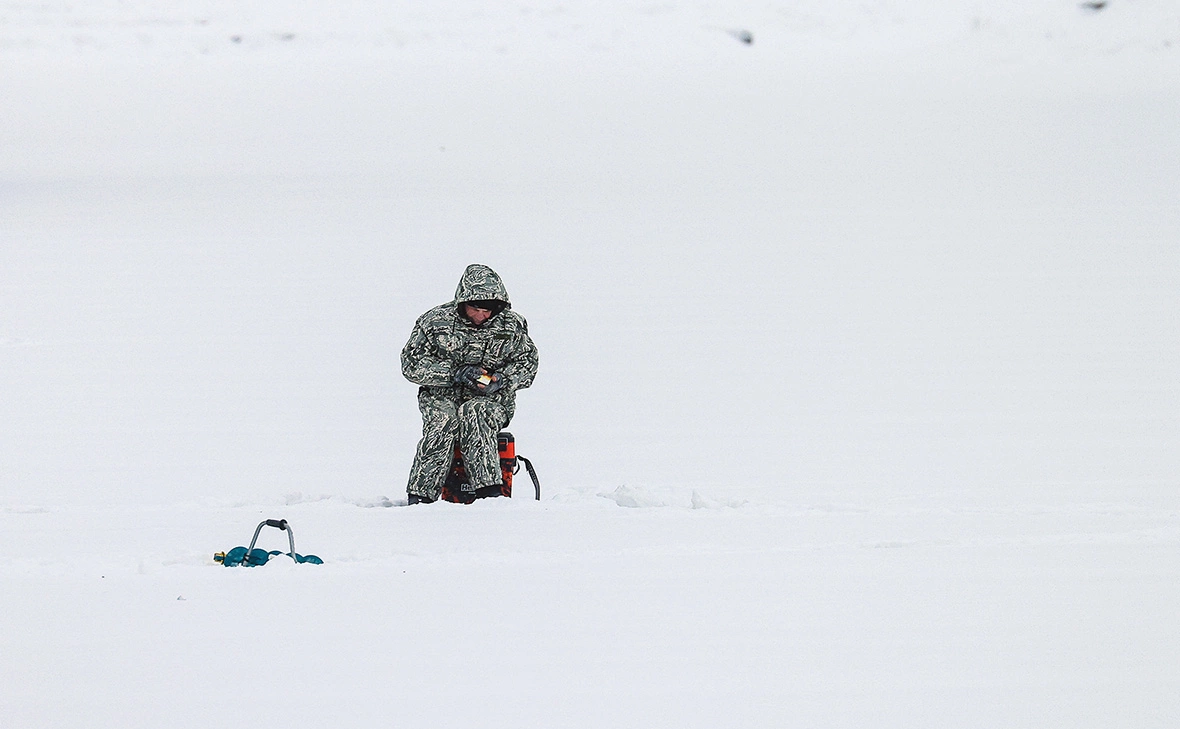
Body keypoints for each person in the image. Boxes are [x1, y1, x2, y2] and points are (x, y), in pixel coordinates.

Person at [401, 264, 539, 504]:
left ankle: (490, 495)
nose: (482, 315)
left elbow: (528, 363)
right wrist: (454, 373)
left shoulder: (512, 325)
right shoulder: (434, 322)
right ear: (463, 302)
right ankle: (420, 499)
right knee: (444, 421)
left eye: (489, 310)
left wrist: (502, 379)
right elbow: (411, 364)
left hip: (491, 400)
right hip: (441, 398)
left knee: (475, 411)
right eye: (476, 308)